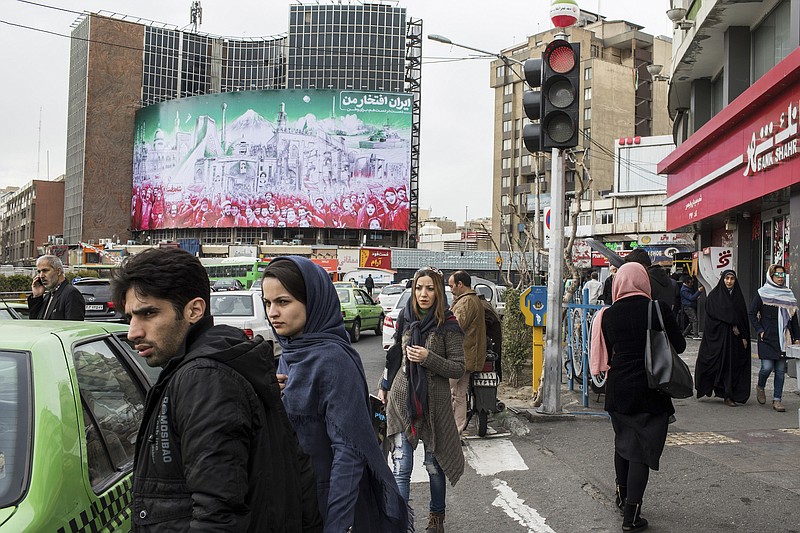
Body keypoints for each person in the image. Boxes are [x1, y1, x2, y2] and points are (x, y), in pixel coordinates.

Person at [111, 247, 322, 532]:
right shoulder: (207, 364)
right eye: (130, 318)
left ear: (194, 310)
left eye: (148, 313)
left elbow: (217, 514)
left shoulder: (204, 378)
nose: (133, 332)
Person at [261, 256, 410, 532]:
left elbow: (348, 452)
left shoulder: (332, 359)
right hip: (293, 501)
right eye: (267, 303)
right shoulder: (289, 353)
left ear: (313, 301)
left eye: (283, 302)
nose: (273, 313)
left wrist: (337, 525)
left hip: (326, 503)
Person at [590, 262, 686, 532]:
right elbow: (679, 345)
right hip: (651, 390)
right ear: (645, 281)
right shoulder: (657, 309)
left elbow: (609, 352)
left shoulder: (608, 315)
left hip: (619, 391)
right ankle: (631, 516)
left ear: (619, 282)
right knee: (641, 453)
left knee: (624, 444)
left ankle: (622, 497)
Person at [385, 267, 465, 533]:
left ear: (439, 292)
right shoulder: (405, 318)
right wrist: (383, 385)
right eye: (419, 288)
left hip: (435, 407)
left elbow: (458, 368)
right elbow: (394, 356)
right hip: (401, 401)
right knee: (401, 466)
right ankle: (401, 523)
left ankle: (436, 519)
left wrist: (427, 358)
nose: (423, 294)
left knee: (433, 465)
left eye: (430, 288)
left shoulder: (449, 324)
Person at [748, 263, 800, 413]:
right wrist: (760, 330)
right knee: (766, 367)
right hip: (767, 336)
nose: (780, 278)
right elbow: (752, 313)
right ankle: (760, 386)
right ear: (771, 276)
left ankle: (777, 400)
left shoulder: (788, 294)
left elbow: (793, 318)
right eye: (777, 275)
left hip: (784, 337)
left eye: (783, 275)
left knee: (779, 370)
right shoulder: (762, 293)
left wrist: (797, 337)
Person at [695, 270, 752, 406]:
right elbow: (711, 318)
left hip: (734, 342)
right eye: (727, 278)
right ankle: (713, 388)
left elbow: (742, 319)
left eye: (732, 278)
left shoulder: (738, 298)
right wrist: (730, 322)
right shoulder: (714, 297)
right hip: (718, 339)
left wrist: (743, 335)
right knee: (713, 363)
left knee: (731, 366)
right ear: (722, 279)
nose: (729, 281)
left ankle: (729, 394)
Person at [447, 270, 486, 434]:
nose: (450, 289)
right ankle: (457, 431)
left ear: (460, 284)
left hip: (459, 357)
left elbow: (455, 328)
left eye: (451, 285)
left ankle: (447, 431)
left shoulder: (466, 303)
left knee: (442, 392)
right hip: (469, 357)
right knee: (460, 395)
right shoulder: (474, 299)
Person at [28, 255, 85, 320]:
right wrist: (37, 296)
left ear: (58, 271)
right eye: (39, 272)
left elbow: (73, 327)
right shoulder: (48, 296)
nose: (41, 276)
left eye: (45, 270)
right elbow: (35, 324)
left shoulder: (71, 294)